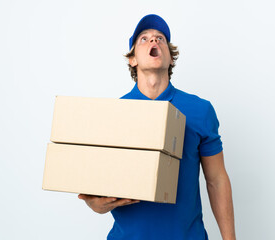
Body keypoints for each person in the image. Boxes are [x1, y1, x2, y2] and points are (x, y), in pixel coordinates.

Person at [78, 14, 236, 240]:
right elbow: (95, 188)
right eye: (144, 39)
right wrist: (96, 205)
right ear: (132, 59)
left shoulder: (200, 110)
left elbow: (217, 179)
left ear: (171, 58)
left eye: (160, 38)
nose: (154, 41)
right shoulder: (113, 114)